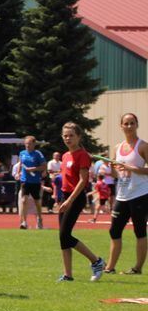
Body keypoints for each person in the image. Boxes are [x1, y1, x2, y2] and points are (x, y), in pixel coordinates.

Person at [55, 122, 106, 282]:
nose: (68, 138)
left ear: (78, 137)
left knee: (65, 234)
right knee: (63, 237)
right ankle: (68, 274)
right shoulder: (65, 156)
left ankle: (96, 261)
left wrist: (70, 200)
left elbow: (83, 181)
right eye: (65, 135)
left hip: (75, 198)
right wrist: (61, 199)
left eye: (71, 135)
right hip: (65, 197)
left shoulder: (82, 155)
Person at [106, 113, 148, 275]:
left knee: (140, 231)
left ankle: (137, 268)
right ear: (121, 126)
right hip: (122, 195)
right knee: (114, 231)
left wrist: (131, 168)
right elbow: (115, 174)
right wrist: (111, 167)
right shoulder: (117, 147)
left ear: (137, 125)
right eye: (126, 123)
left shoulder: (143, 146)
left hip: (140, 194)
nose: (129, 126)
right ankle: (110, 267)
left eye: (132, 123)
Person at [17, 136, 47, 230]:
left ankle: (39, 219)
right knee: (24, 200)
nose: (27, 145)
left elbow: (44, 166)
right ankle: (24, 222)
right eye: (26, 143)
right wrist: (18, 172)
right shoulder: (22, 153)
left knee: (37, 202)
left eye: (29, 143)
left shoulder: (38, 154)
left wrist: (34, 169)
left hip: (35, 181)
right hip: (25, 180)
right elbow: (21, 163)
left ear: (34, 144)